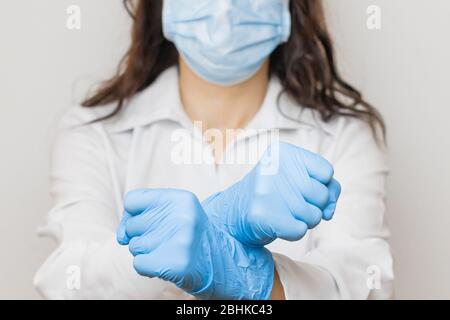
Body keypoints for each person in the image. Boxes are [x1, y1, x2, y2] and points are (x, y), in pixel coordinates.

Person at [34, 0, 394, 299]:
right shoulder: (93, 133)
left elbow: (361, 284)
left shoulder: (343, 136)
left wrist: (253, 280)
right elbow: (71, 282)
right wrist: (219, 220)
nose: (224, 6)